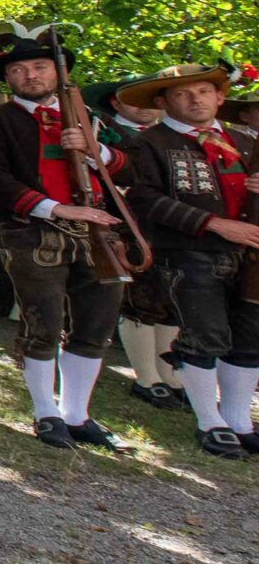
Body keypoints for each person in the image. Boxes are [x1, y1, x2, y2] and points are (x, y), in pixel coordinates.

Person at [0, 27, 129, 451]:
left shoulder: (90, 119)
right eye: (20, 70)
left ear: (58, 72)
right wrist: (53, 208)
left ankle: (77, 414)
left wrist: (96, 151)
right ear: (9, 79)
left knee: (94, 327)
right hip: (33, 232)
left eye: (39, 67)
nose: (31, 76)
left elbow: (132, 169)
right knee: (43, 326)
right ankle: (45, 412)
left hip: (98, 233)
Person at [112, 63, 259, 457]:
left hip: (250, 255)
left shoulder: (244, 141)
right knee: (204, 335)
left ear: (220, 97)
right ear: (162, 102)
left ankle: (238, 420)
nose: (195, 100)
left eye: (204, 92)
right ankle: (209, 421)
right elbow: (144, 199)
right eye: (182, 94)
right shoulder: (148, 144)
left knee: (249, 337)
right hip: (188, 253)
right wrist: (214, 224)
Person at [86, 76, 187, 410]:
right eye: (134, 100)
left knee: (172, 301)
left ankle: (169, 374)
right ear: (116, 103)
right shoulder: (104, 133)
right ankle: (146, 377)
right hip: (129, 224)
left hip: (175, 226)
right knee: (140, 300)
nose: (143, 107)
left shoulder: (174, 136)